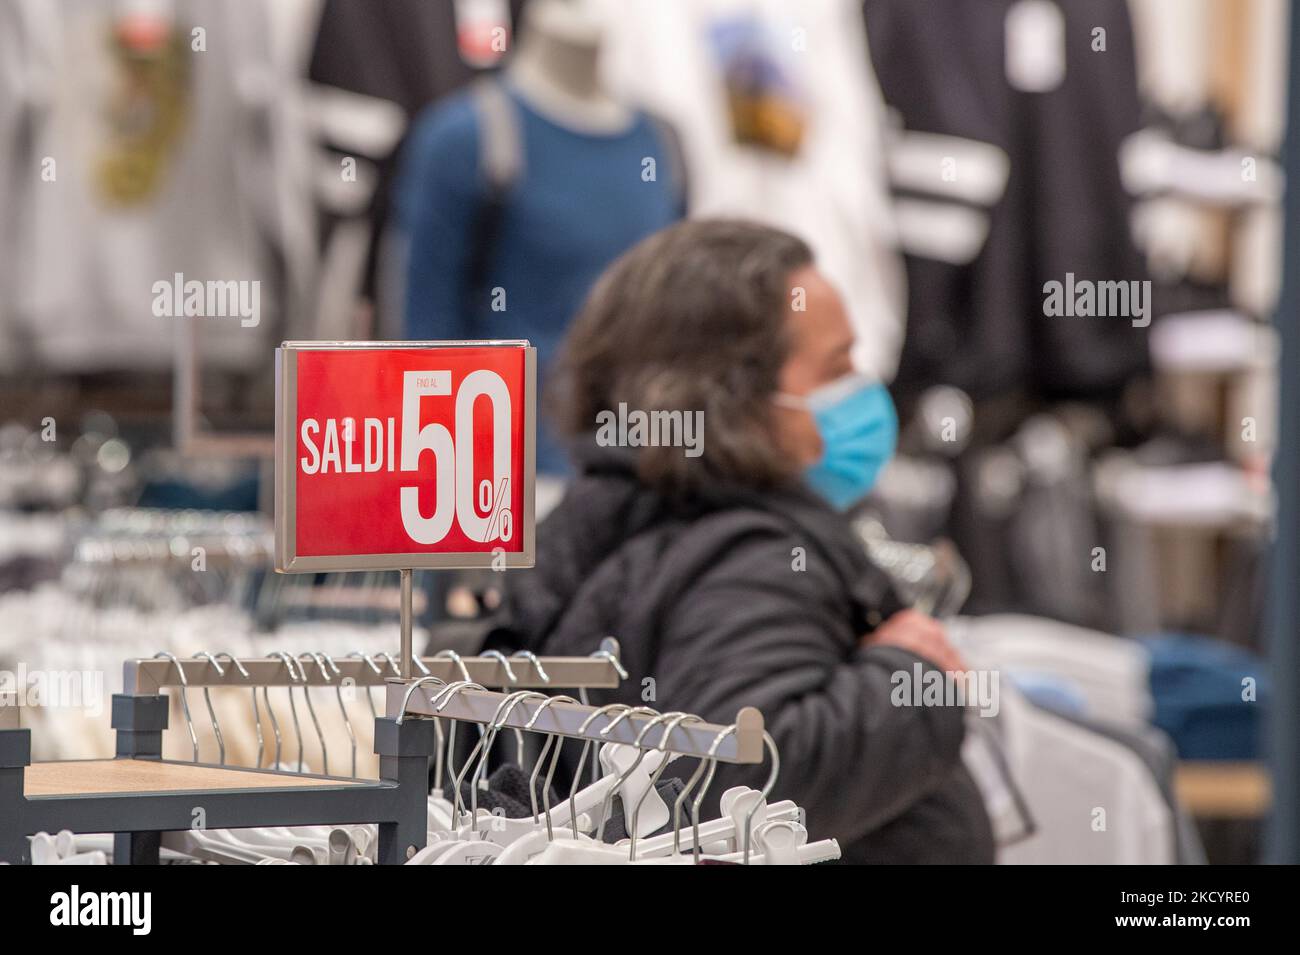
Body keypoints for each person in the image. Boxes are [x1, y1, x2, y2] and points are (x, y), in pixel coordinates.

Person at [489, 219, 993, 863]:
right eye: (834, 369)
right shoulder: (749, 558)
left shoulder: (612, 514)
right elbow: (734, 785)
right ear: (735, 397)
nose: (860, 393)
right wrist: (911, 679)